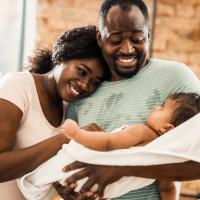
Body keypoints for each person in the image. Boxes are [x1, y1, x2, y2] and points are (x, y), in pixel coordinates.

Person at [53, 0, 200, 199]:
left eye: (137, 39)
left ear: (148, 34)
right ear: (100, 37)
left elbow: (196, 157)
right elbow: (69, 158)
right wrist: (67, 190)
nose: (127, 49)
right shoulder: (84, 90)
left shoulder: (176, 77)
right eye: (115, 40)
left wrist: (120, 168)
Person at [0, 25, 110, 200]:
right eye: (81, 71)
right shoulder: (18, 86)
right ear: (62, 56)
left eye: (94, 82)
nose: (84, 84)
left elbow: (47, 176)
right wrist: (67, 138)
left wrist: (66, 190)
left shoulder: (71, 111)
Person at [60, 92, 200, 200]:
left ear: (167, 129)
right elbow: (167, 189)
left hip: (83, 170)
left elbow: (108, 142)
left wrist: (77, 133)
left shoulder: (143, 131)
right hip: (104, 191)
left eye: (162, 108)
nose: (157, 107)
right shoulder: (164, 159)